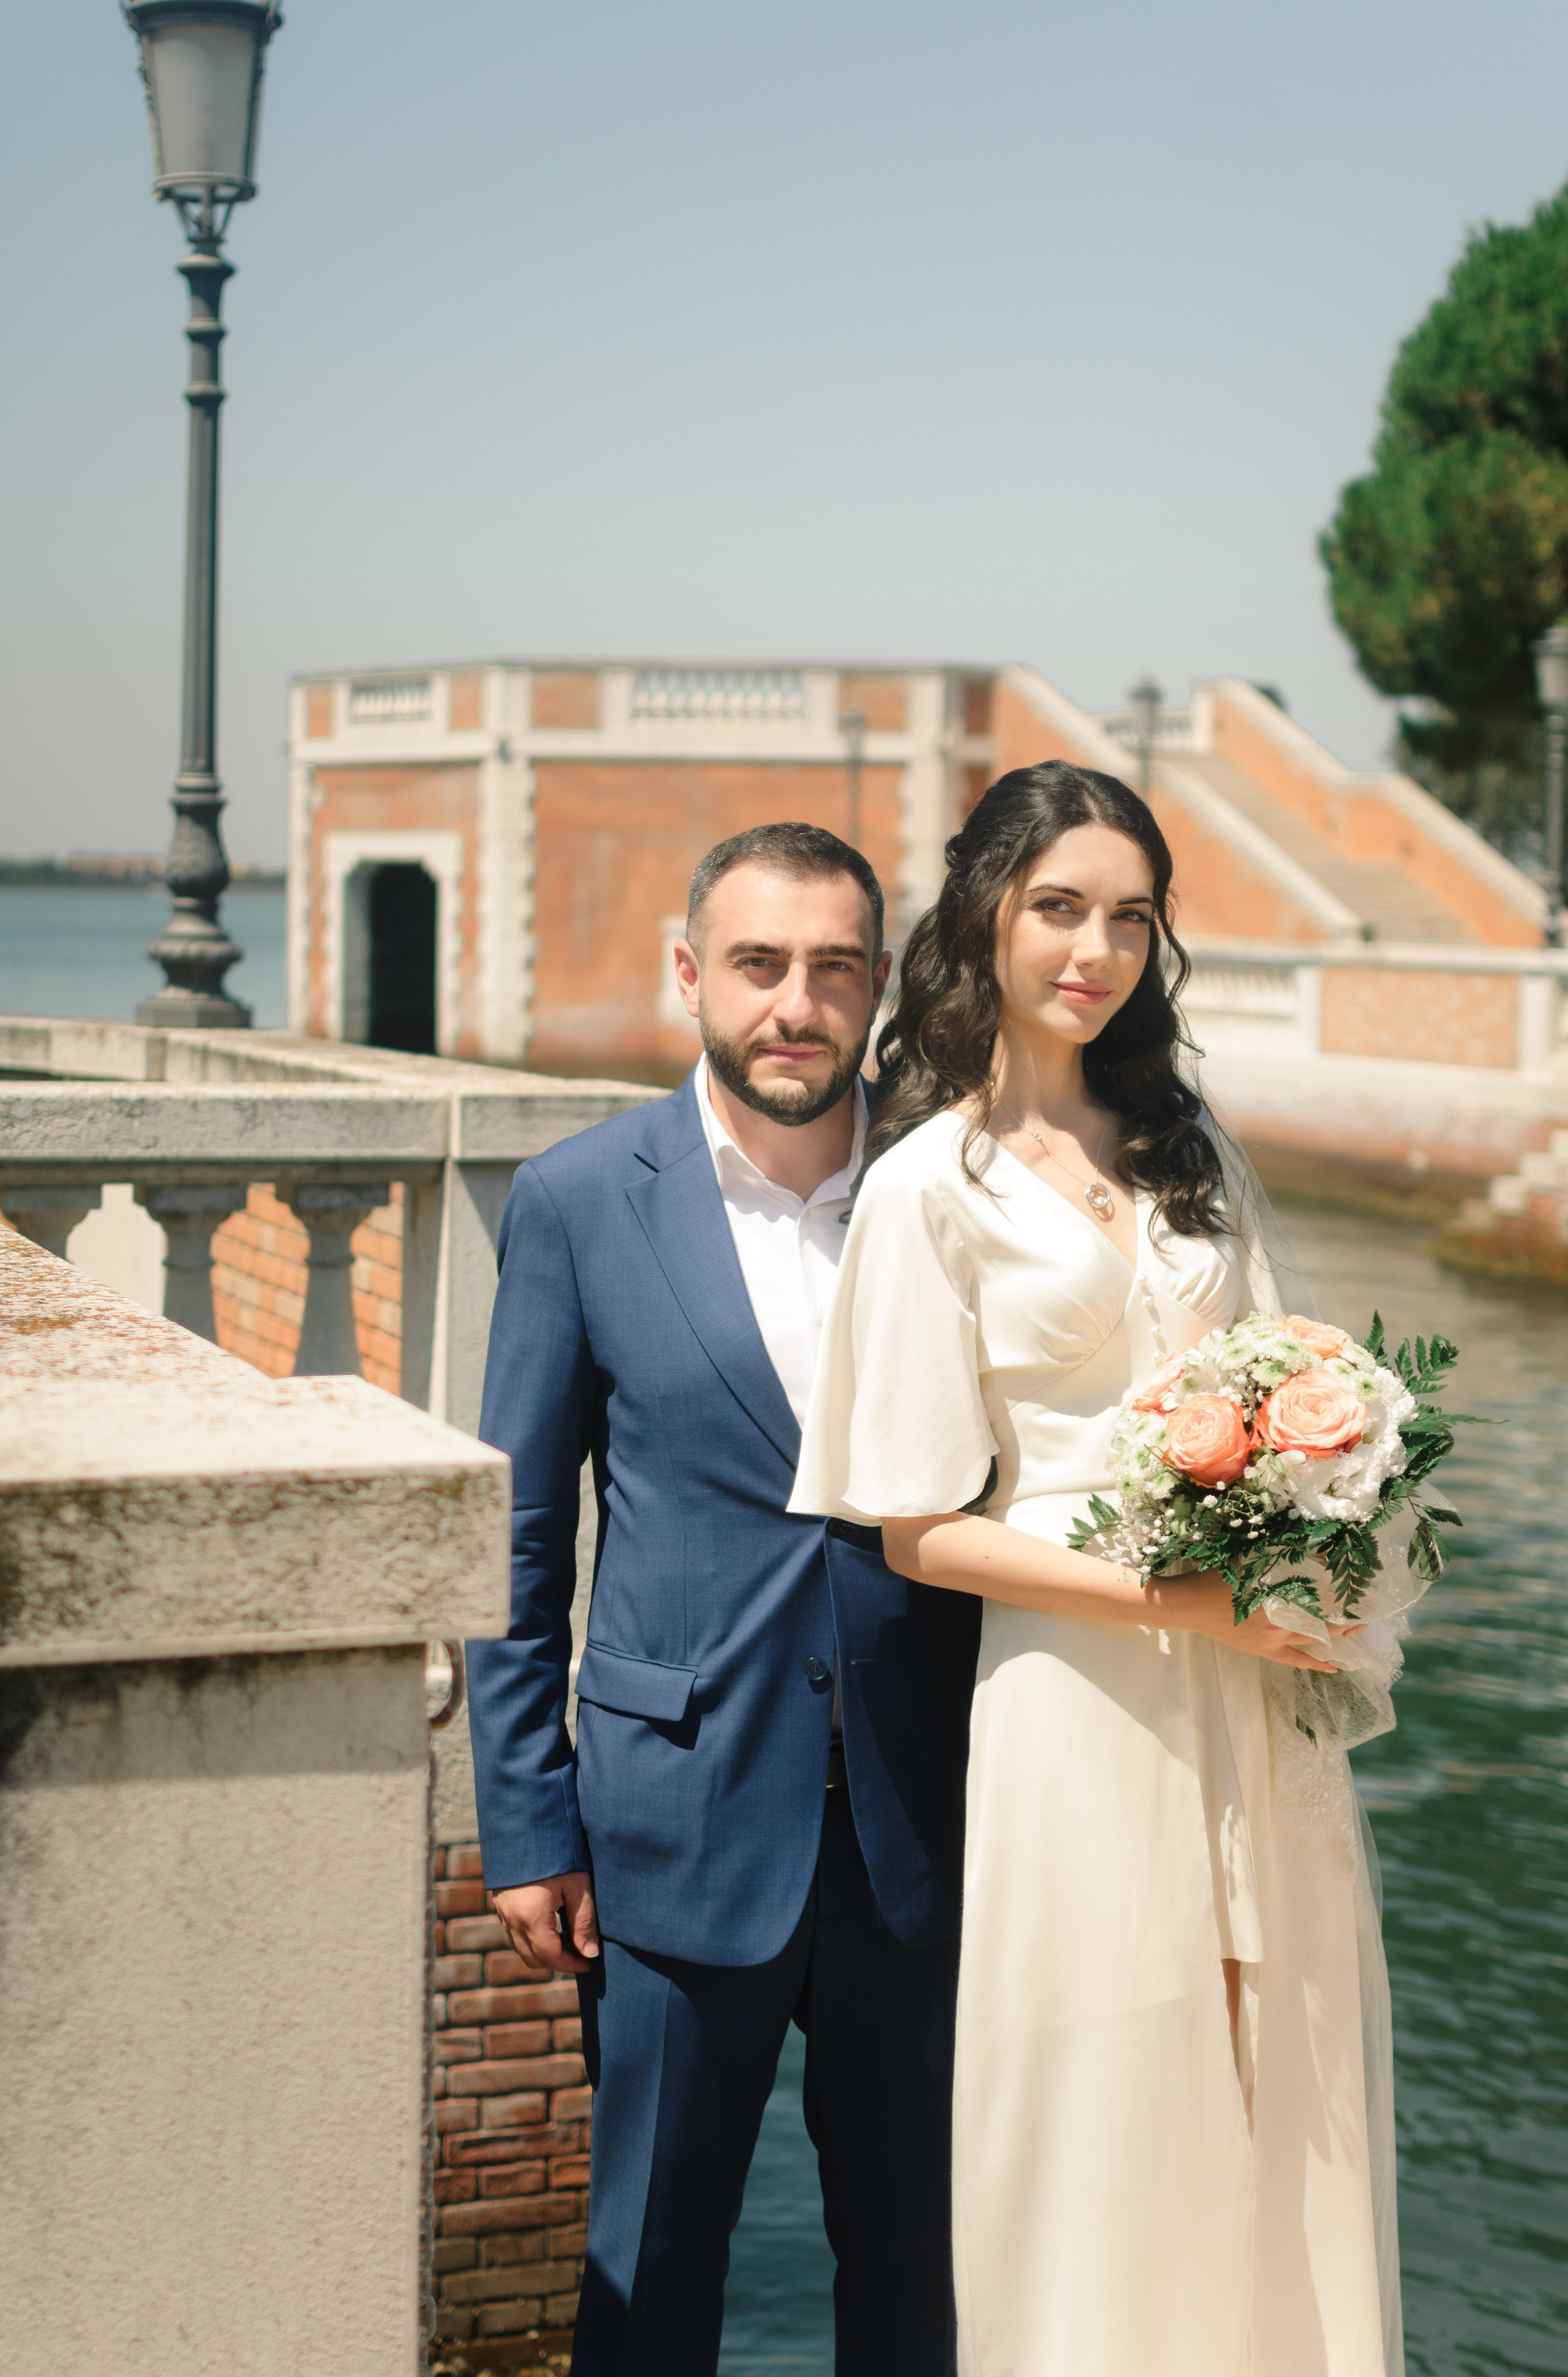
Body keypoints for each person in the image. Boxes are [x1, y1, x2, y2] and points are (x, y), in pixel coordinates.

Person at [793, 761, 1404, 2377]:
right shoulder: (929, 1186)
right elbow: (916, 1526)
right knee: (1109, 2108)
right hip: (1077, 1701)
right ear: (984, 915)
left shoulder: (1180, 1141)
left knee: (1286, 2077)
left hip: (1254, 1689)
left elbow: (1283, 1376)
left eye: (1129, 917)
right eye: (1057, 907)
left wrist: (1323, 1527)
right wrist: (1180, 1600)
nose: (1095, 949)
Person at [465, 822, 981, 2377]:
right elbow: (517, 1541)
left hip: (926, 1828)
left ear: (878, 987)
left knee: (922, 2269)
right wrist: (529, 1824)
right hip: (671, 1827)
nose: (794, 1004)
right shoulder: (574, 1201)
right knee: (649, 2264)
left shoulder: (958, 1189)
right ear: (690, 974)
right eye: (758, 964)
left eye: (832, 968)